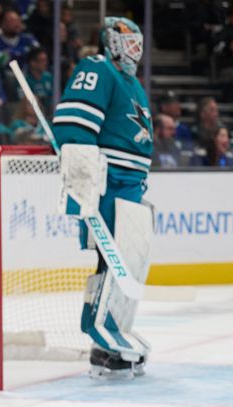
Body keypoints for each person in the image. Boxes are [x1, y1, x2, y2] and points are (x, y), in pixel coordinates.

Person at [52, 17, 154, 378]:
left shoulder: (131, 82)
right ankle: (101, 332)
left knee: (127, 259)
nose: (135, 47)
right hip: (110, 182)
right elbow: (73, 128)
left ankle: (112, 332)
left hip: (131, 184)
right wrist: (82, 185)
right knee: (112, 259)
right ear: (110, 40)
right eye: (127, 40)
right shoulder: (97, 68)